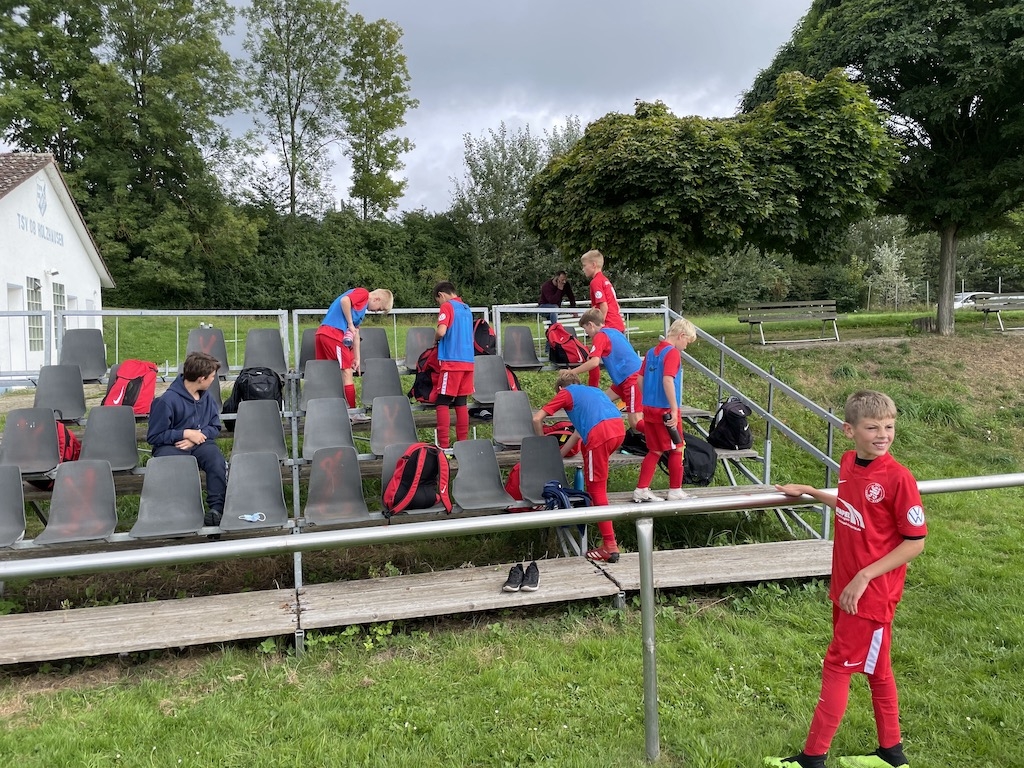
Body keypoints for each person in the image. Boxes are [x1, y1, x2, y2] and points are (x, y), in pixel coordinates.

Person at [765, 390, 927, 768]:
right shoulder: (849, 462)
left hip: (869, 595)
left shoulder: (898, 478)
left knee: (837, 665)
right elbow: (854, 507)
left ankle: (812, 758)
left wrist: (864, 576)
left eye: (889, 427)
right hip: (847, 588)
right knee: (879, 671)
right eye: (872, 427)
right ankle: (892, 755)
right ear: (849, 430)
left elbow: (915, 542)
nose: (883, 435)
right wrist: (811, 492)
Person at [532, 371, 626, 563]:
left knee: (597, 489)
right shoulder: (592, 391)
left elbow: (537, 419)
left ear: (560, 388)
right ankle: (594, 511)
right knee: (594, 475)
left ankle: (610, 546)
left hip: (600, 434)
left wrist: (543, 448)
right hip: (618, 429)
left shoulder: (566, 393)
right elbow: (578, 433)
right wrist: (556, 457)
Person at [146, 352, 227, 527]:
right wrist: (185, 433)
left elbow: (215, 427)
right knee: (176, 466)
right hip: (170, 445)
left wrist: (196, 436)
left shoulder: (207, 398)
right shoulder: (166, 401)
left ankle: (217, 510)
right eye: (212, 377)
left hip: (200, 442)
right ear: (201, 378)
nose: (213, 380)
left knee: (216, 461)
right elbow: (154, 436)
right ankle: (178, 514)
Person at [633, 318, 696, 503]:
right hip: (665, 410)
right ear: (681, 335)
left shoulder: (651, 352)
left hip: (649, 408)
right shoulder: (673, 353)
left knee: (655, 450)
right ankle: (675, 490)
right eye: (687, 342)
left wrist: (649, 397)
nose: (686, 346)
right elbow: (668, 380)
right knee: (677, 447)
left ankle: (641, 489)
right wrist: (675, 409)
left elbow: (639, 379)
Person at [315, 287, 394, 409]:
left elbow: (355, 334)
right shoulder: (363, 294)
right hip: (334, 334)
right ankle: (352, 411)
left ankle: (327, 409)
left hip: (323, 334)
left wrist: (357, 358)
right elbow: (345, 300)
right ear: (377, 299)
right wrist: (350, 324)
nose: (376, 312)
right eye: (379, 309)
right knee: (347, 372)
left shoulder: (360, 311)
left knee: (327, 373)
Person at [567, 308, 642, 427]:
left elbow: (594, 362)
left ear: (591, 325)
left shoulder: (600, 336)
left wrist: (572, 372)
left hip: (631, 378)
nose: (586, 333)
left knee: (635, 421)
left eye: (585, 329)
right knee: (601, 401)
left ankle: (658, 435)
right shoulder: (613, 331)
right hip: (623, 380)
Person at [432, 280, 474, 450]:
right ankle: (462, 445)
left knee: (442, 401)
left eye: (438, 301)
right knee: (461, 402)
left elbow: (441, 331)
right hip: (468, 361)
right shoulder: (466, 308)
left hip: (452, 361)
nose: (439, 304)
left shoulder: (447, 306)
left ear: (441, 295)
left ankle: (443, 446)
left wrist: (435, 338)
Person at [580, 249, 625, 333]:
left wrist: (600, 326)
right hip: (617, 324)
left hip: (609, 326)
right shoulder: (605, 280)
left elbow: (604, 306)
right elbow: (616, 305)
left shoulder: (596, 282)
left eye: (584, 265)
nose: (583, 269)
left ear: (593, 265)